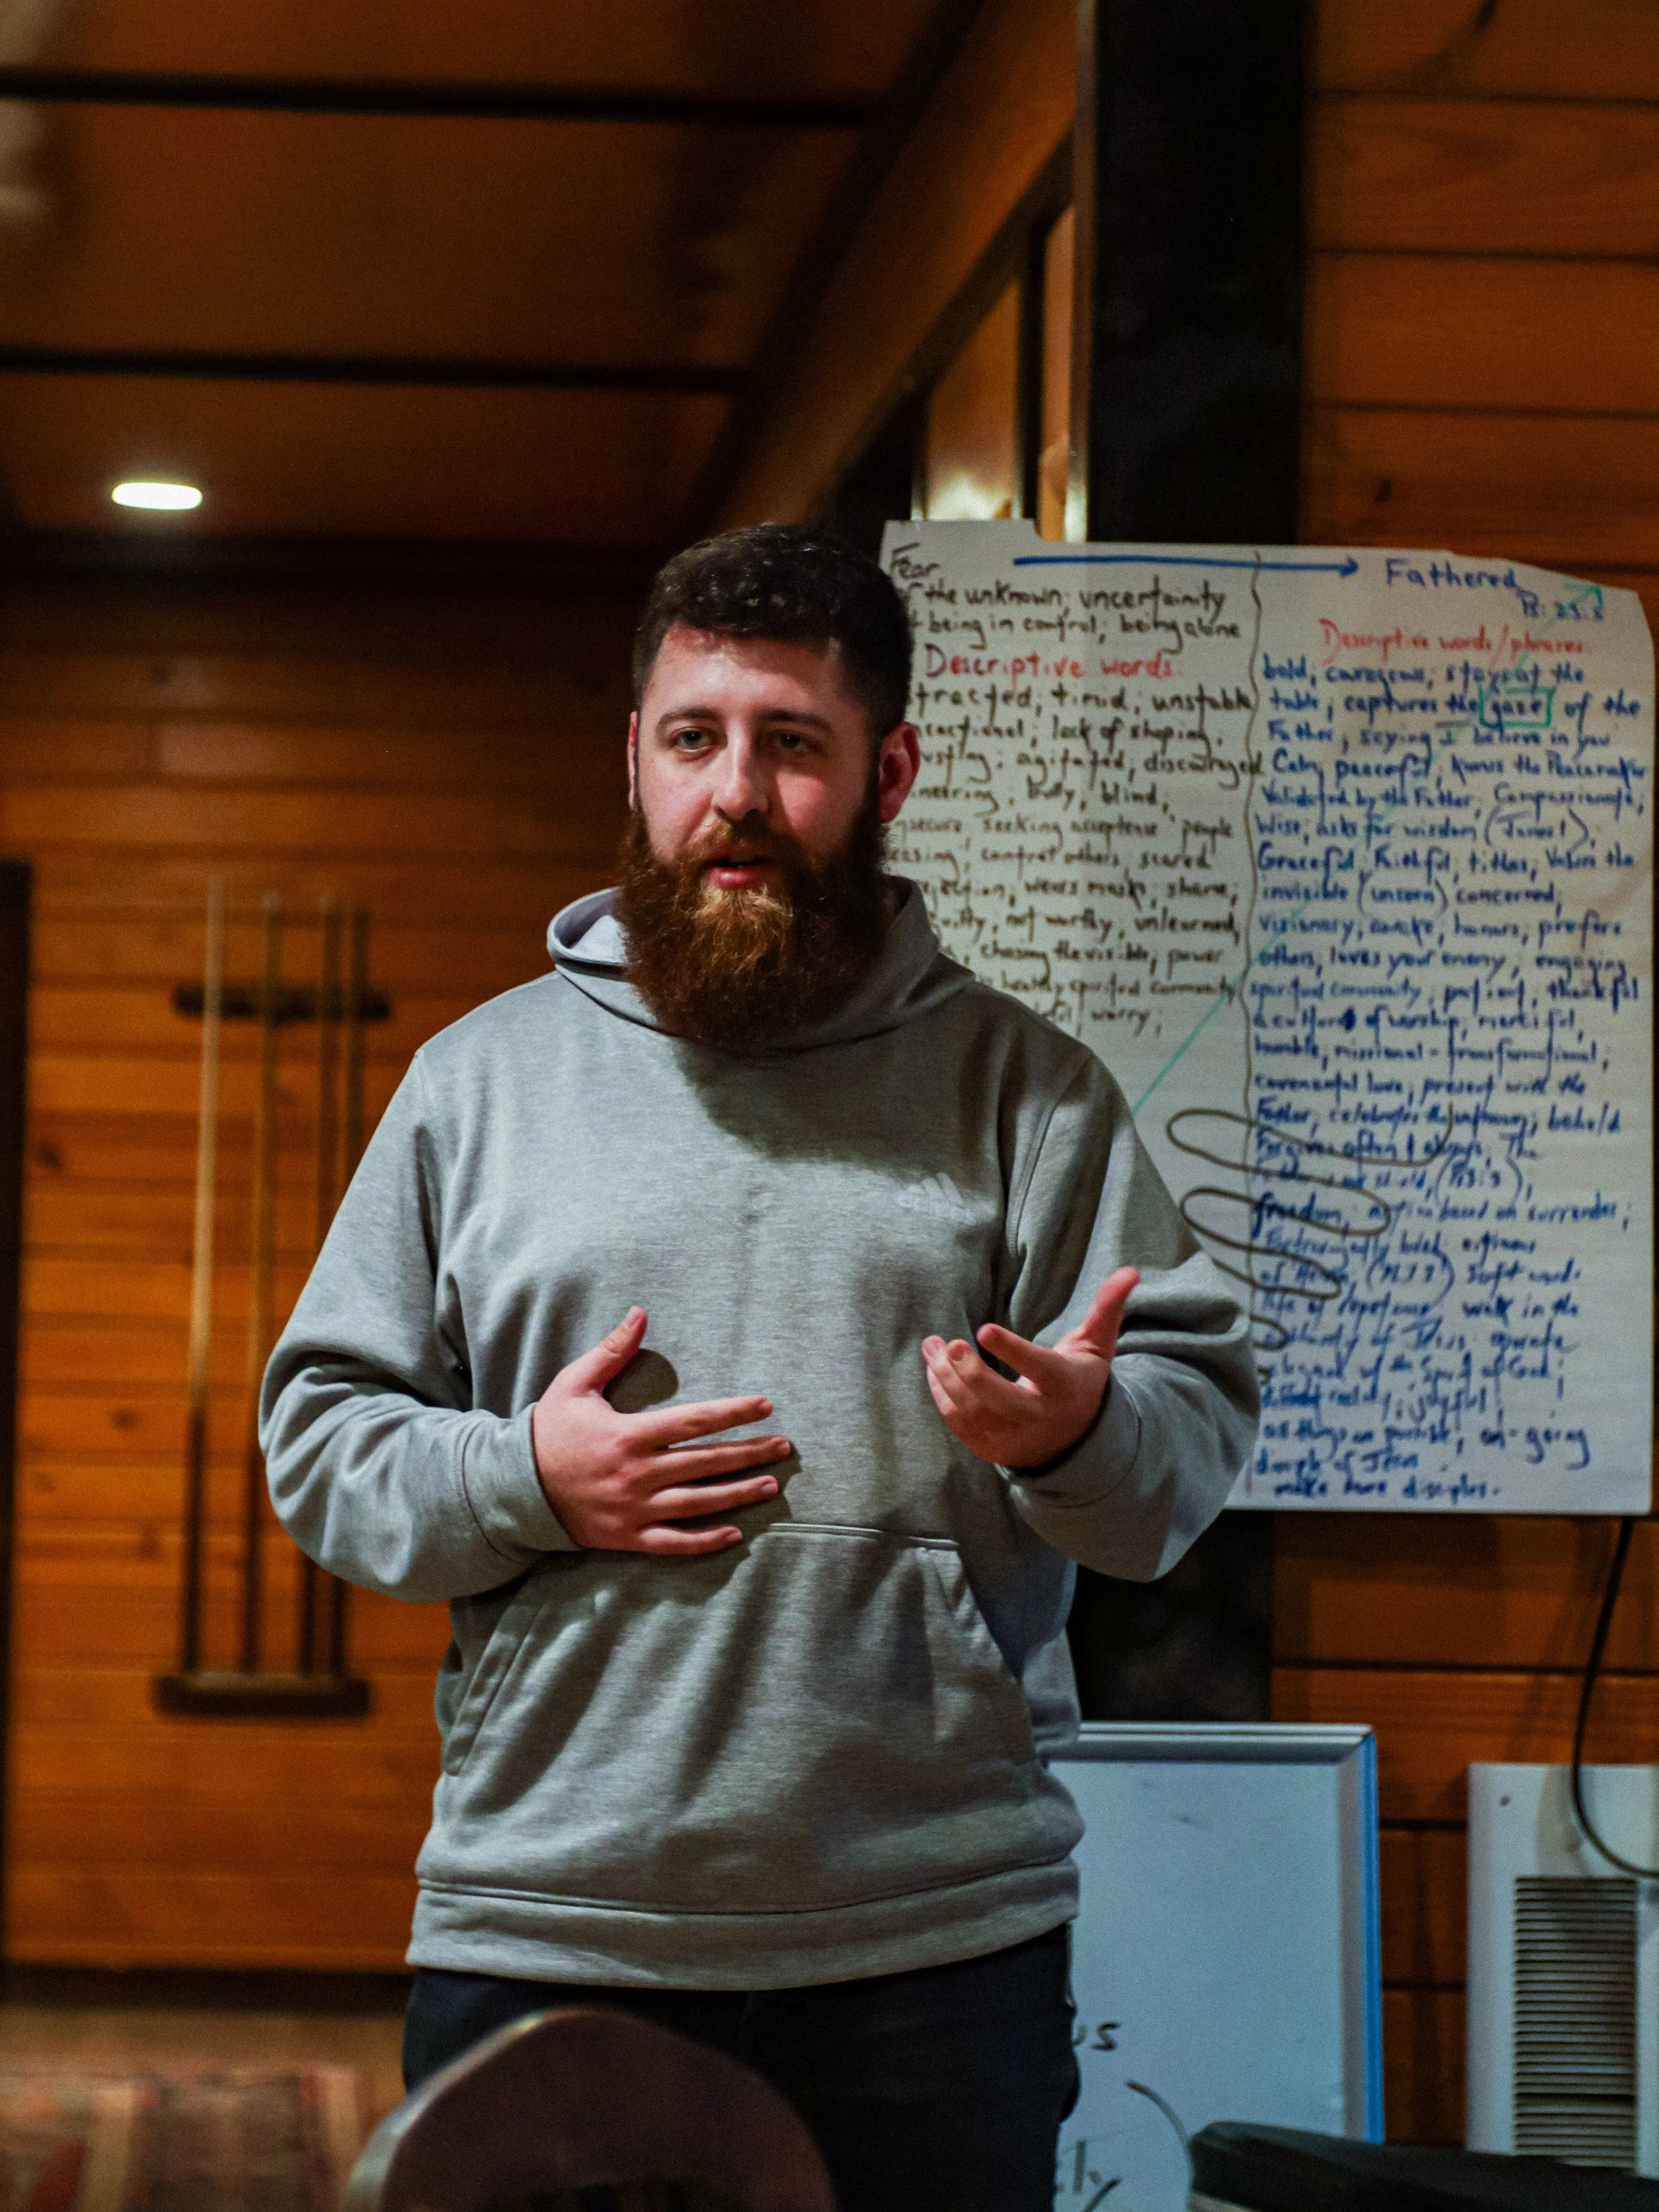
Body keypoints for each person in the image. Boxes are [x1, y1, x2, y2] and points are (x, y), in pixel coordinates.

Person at [262, 524, 1258, 2211]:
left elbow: (1173, 1470)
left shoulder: (1029, 1093)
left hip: (931, 1937)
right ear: (634, 763)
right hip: (551, 1918)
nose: (735, 792)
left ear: (887, 772)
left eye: (791, 743)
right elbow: (320, 1446)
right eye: (693, 737)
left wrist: (1078, 1432)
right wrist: (525, 1477)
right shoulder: (473, 1084)